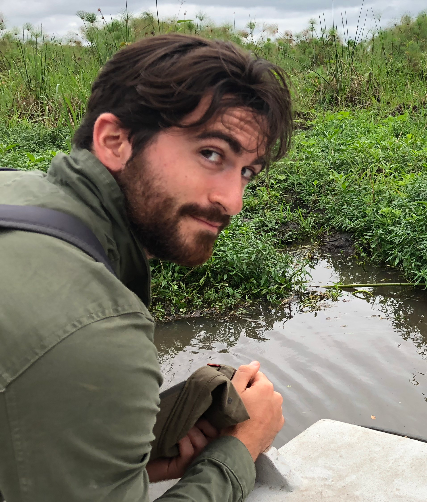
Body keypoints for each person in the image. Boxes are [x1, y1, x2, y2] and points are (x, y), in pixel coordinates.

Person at [0, 34, 293, 501]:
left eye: (246, 172)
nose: (232, 200)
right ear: (115, 140)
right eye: (211, 153)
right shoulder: (96, 330)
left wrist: (132, 455)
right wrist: (239, 450)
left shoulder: (13, 192)